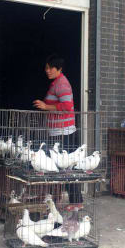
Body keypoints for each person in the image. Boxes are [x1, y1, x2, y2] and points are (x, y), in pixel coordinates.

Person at [33, 54, 83, 203]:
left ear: (59, 69)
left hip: (63, 132)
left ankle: (76, 201)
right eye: (46, 68)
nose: (47, 71)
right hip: (58, 130)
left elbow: (67, 107)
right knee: (60, 167)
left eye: (50, 68)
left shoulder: (62, 84)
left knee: (66, 168)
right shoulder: (56, 83)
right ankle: (57, 198)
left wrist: (45, 106)